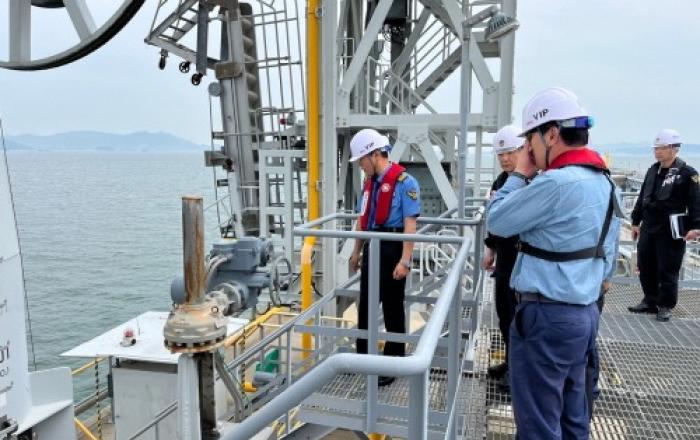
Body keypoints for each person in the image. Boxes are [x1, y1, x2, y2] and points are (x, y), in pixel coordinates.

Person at [487, 87, 621, 439]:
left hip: (545, 317)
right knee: (572, 417)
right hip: (584, 315)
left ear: (550, 134)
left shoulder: (555, 184)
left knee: (538, 423)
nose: (527, 149)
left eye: (530, 139)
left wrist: (519, 175)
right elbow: (608, 254)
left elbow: (497, 221)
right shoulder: (605, 182)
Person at [348, 128, 421, 387]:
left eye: (361, 160)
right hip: (373, 247)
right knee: (366, 306)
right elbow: (363, 220)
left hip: (393, 247)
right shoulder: (369, 185)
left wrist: (405, 260)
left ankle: (393, 362)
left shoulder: (406, 183)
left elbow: (410, 225)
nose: (360, 165)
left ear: (374, 155)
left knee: (392, 307)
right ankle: (363, 359)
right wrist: (356, 251)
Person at [628, 129, 700, 322]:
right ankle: (650, 300)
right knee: (645, 264)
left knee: (667, 268)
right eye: (656, 148)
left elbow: (695, 202)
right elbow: (642, 197)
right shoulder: (653, 170)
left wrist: (695, 227)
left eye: (661, 148)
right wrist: (635, 221)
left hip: (670, 228)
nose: (657, 151)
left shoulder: (688, 174)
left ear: (674, 149)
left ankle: (665, 305)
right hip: (649, 225)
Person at [482, 124, 527, 392]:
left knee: (521, 317)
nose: (505, 159)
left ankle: (519, 373)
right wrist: (490, 248)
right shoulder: (500, 182)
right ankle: (511, 363)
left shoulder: (534, 181)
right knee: (505, 313)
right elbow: (494, 219)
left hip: (525, 259)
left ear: (523, 150)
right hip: (505, 259)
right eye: (501, 155)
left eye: (510, 152)